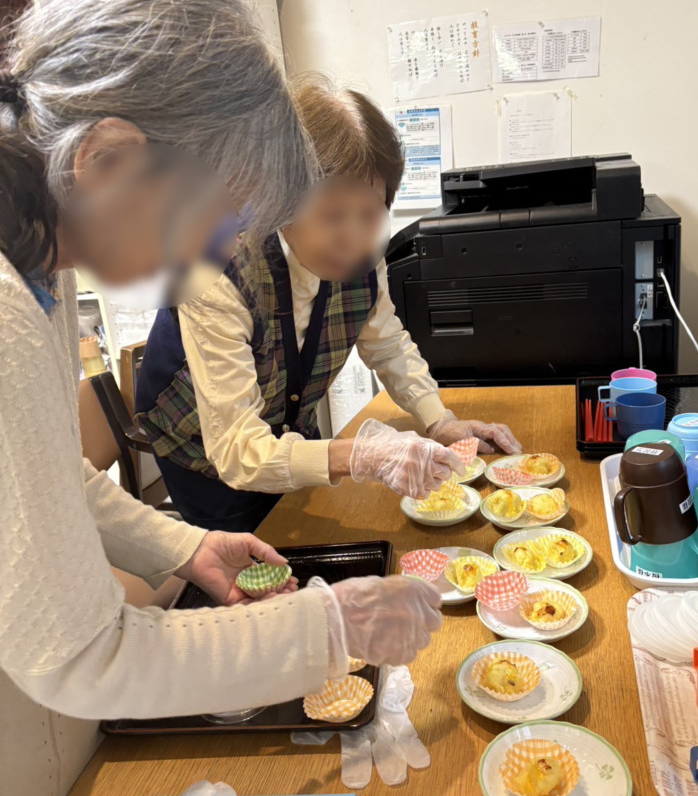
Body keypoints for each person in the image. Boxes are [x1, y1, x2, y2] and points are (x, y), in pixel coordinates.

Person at [0, 0, 441, 796]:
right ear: (108, 158)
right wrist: (330, 625)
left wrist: (182, 545)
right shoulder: (7, 306)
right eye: (213, 217)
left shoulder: (42, 256)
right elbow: (81, 659)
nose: (209, 250)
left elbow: (53, 474)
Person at [136, 74, 521, 531]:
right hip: (202, 444)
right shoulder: (214, 267)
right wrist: (357, 454)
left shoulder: (363, 256)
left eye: (371, 213)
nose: (355, 237)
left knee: (313, 532)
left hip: (285, 424)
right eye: (333, 215)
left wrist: (439, 421)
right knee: (254, 558)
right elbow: (237, 450)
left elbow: (387, 344)